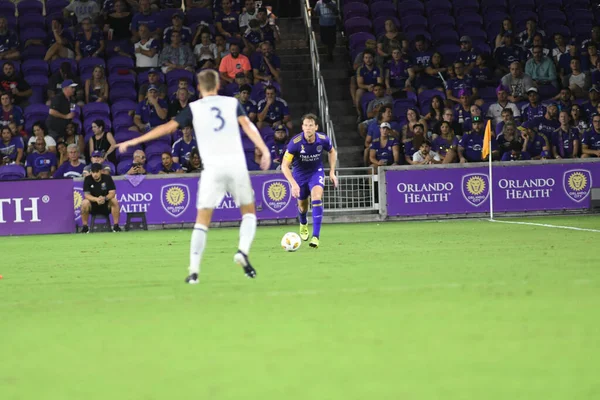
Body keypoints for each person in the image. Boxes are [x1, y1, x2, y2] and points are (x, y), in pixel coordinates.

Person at [117, 69, 271, 283]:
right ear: (218, 85)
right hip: (236, 164)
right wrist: (264, 149)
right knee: (249, 213)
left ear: (198, 88)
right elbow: (249, 127)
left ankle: (194, 272)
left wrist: (134, 141)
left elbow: (167, 127)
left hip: (213, 169)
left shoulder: (194, 108)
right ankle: (242, 252)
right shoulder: (231, 103)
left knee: (201, 222)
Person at [281, 114, 338, 249]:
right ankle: (303, 222)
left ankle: (315, 237)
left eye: (311, 125)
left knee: (317, 197)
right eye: (306, 125)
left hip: (315, 172)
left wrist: (332, 171)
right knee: (303, 206)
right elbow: (284, 165)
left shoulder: (323, 139)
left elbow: (332, 151)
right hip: (299, 175)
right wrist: (293, 184)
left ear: (316, 127)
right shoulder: (295, 143)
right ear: (302, 127)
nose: (308, 128)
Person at [80, 163, 121, 233]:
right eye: (93, 172)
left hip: (106, 204)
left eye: (97, 172)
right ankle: (85, 227)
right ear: (90, 172)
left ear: (101, 171)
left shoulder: (107, 178)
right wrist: (96, 199)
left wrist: (104, 198)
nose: (95, 174)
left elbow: (112, 193)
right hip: (93, 205)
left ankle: (116, 226)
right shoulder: (87, 179)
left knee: (114, 201)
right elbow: (86, 195)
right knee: (84, 202)